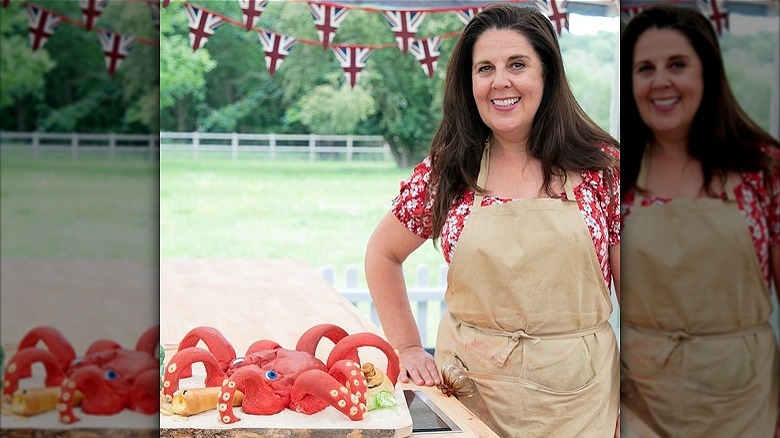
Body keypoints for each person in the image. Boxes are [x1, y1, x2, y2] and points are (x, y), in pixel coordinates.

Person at [365, 4, 620, 437]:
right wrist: (407, 347)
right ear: (470, 84)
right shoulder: (449, 167)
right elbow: (382, 253)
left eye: (517, 64)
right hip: (469, 399)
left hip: (581, 401)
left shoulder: (604, 168)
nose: (501, 81)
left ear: (547, 75)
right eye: (485, 68)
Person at [619, 4, 780, 437]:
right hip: (641, 400)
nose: (661, 81)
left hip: (744, 401)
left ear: (706, 74)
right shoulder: (617, 177)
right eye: (645, 68)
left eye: (677, 65)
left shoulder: (763, 171)